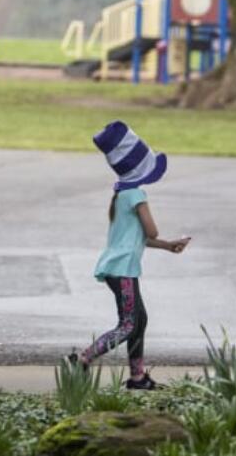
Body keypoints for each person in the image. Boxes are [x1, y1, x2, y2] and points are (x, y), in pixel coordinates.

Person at [71, 121, 189, 390]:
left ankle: (138, 377)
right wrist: (151, 219)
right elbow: (151, 229)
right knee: (128, 324)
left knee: (139, 320)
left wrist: (169, 245)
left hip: (120, 268)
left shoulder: (121, 194)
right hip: (122, 269)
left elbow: (140, 238)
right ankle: (82, 358)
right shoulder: (136, 195)